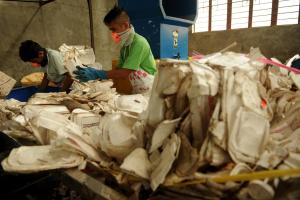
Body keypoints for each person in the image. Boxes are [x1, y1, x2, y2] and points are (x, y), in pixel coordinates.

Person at [74, 6, 157, 94]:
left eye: (113, 29)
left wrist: (97, 74)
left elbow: (125, 72)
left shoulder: (139, 43)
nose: (113, 33)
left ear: (125, 25)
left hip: (151, 88)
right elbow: (118, 70)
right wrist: (108, 85)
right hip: (138, 88)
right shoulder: (125, 47)